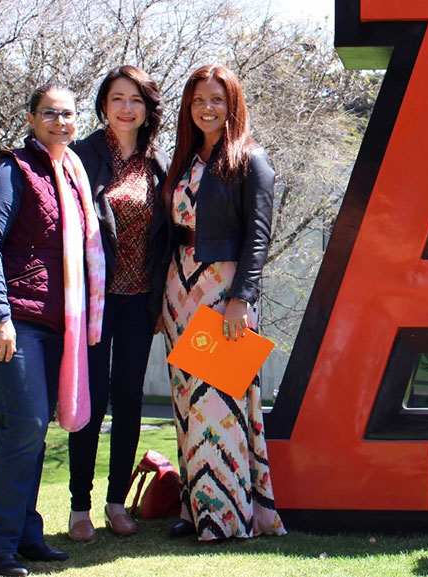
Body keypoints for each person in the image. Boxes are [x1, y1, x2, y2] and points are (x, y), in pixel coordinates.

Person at [0, 65, 171, 543]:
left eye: (136, 100)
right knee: (90, 400)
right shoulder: (78, 154)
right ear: (103, 105)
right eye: (117, 98)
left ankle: (116, 503)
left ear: (147, 110)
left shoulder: (159, 163)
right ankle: (79, 507)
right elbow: (30, 180)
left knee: (129, 401)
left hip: (138, 300)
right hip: (87, 303)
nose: (127, 108)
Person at [0, 82, 105, 577]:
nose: (60, 122)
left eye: (67, 115)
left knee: (32, 432)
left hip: (51, 323)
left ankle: (27, 536)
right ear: (31, 119)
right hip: (9, 318)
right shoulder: (11, 170)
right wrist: (0, 316)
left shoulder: (71, 176)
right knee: (23, 426)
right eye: (49, 114)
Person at [161, 64, 284, 541]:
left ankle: (225, 517)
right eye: (197, 100)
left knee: (219, 402)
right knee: (186, 403)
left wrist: (242, 298)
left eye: (216, 99)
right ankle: (194, 508)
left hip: (221, 290)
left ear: (232, 103)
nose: (206, 108)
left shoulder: (251, 159)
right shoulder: (185, 159)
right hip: (178, 290)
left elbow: (258, 238)